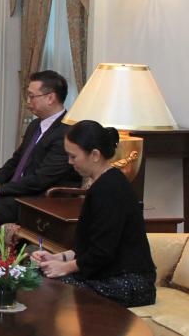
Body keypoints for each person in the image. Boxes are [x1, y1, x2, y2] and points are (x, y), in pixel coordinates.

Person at [0, 70, 80, 265]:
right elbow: (15, 161)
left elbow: (41, 179)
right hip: (16, 193)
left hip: (36, 200)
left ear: (50, 97)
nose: (28, 101)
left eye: (32, 96)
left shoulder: (67, 133)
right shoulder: (35, 125)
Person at [30, 120, 156, 307]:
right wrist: (59, 258)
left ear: (95, 155)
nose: (70, 162)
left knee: (39, 282)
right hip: (111, 274)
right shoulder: (104, 183)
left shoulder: (109, 189)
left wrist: (64, 268)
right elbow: (90, 246)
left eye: (73, 157)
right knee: (32, 273)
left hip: (129, 283)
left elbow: (101, 253)